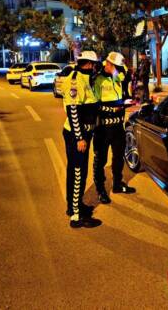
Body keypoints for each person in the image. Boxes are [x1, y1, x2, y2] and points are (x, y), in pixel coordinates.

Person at [62, 51, 102, 229]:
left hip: (84, 133)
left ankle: (74, 206)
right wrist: (79, 137)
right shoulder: (75, 80)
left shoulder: (85, 79)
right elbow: (73, 111)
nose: (94, 68)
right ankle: (76, 217)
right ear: (88, 64)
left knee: (76, 171)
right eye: (93, 65)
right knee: (78, 172)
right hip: (76, 135)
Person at [93, 52, 136, 204]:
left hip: (118, 126)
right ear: (108, 64)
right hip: (103, 128)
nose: (118, 70)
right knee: (101, 160)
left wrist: (126, 102)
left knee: (119, 157)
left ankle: (117, 184)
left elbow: (127, 80)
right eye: (115, 66)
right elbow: (96, 105)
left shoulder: (117, 76)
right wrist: (114, 109)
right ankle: (100, 190)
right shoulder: (97, 80)